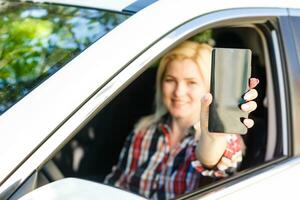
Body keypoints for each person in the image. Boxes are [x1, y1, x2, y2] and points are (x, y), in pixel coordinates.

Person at [104, 41, 259, 199]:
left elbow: (210, 159)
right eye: (170, 80)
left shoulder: (224, 135)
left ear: (209, 88)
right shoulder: (143, 132)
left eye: (191, 82)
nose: (179, 92)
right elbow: (115, 184)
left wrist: (212, 137)